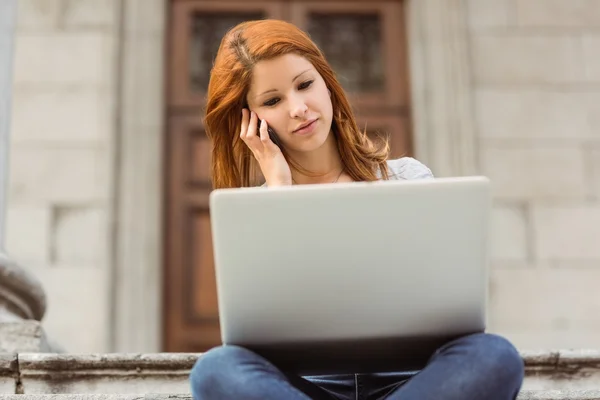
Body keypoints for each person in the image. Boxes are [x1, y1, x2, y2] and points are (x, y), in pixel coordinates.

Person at [189, 19, 524, 400]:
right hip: (309, 387)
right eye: (272, 101)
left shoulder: (407, 178)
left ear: (326, 82)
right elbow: (263, 331)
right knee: (216, 370)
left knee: (493, 355)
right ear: (250, 120)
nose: (298, 109)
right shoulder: (254, 209)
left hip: (412, 381)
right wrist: (280, 194)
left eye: (304, 85)